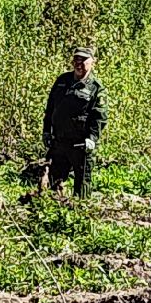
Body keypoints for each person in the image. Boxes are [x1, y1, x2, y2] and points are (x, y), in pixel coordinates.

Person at [42, 47, 107, 198]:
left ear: (92, 62)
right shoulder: (62, 81)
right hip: (59, 143)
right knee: (54, 185)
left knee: (82, 188)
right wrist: (46, 131)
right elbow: (50, 108)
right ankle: (55, 215)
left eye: (83, 60)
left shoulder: (96, 88)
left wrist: (92, 138)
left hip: (80, 146)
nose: (79, 64)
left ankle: (80, 216)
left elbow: (100, 117)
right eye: (76, 60)